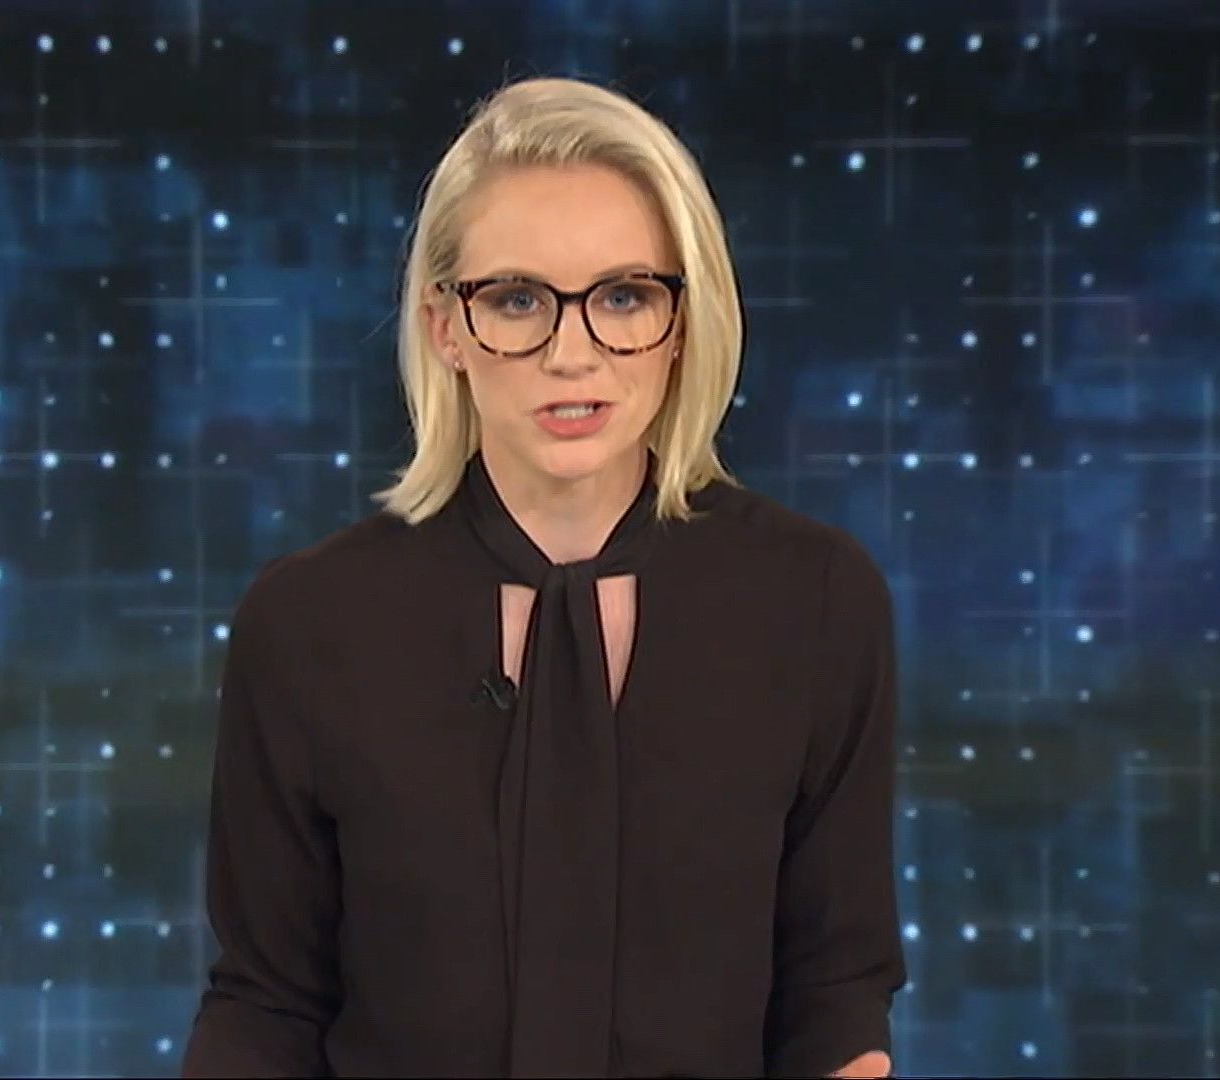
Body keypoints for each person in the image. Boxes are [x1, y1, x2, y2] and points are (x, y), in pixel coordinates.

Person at [181, 75, 904, 1079]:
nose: (573, 354)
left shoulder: (815, 602)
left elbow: (835, 991)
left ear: (683, 322)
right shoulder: (308, 624)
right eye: (518, 300)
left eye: (623, 297)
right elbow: (267, 1002)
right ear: (446, 326)